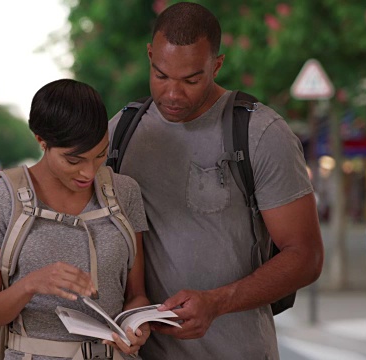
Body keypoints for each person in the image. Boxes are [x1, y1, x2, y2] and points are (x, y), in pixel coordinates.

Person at [107, 3, 324, 359]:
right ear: (149, 55)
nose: (173, 93)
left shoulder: (260, 134)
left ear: (217, 64)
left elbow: (307, 256)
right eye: (161, 75)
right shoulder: (122, 132)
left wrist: (217, 303)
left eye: (191, 79)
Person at [0, 79, 152, 359]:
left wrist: (137, 327)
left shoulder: (124, 192)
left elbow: (136, 295)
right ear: (41, 141)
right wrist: (31, 284)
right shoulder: (1, 197)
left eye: (100, 155)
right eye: (74, 160)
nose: (88, 173)